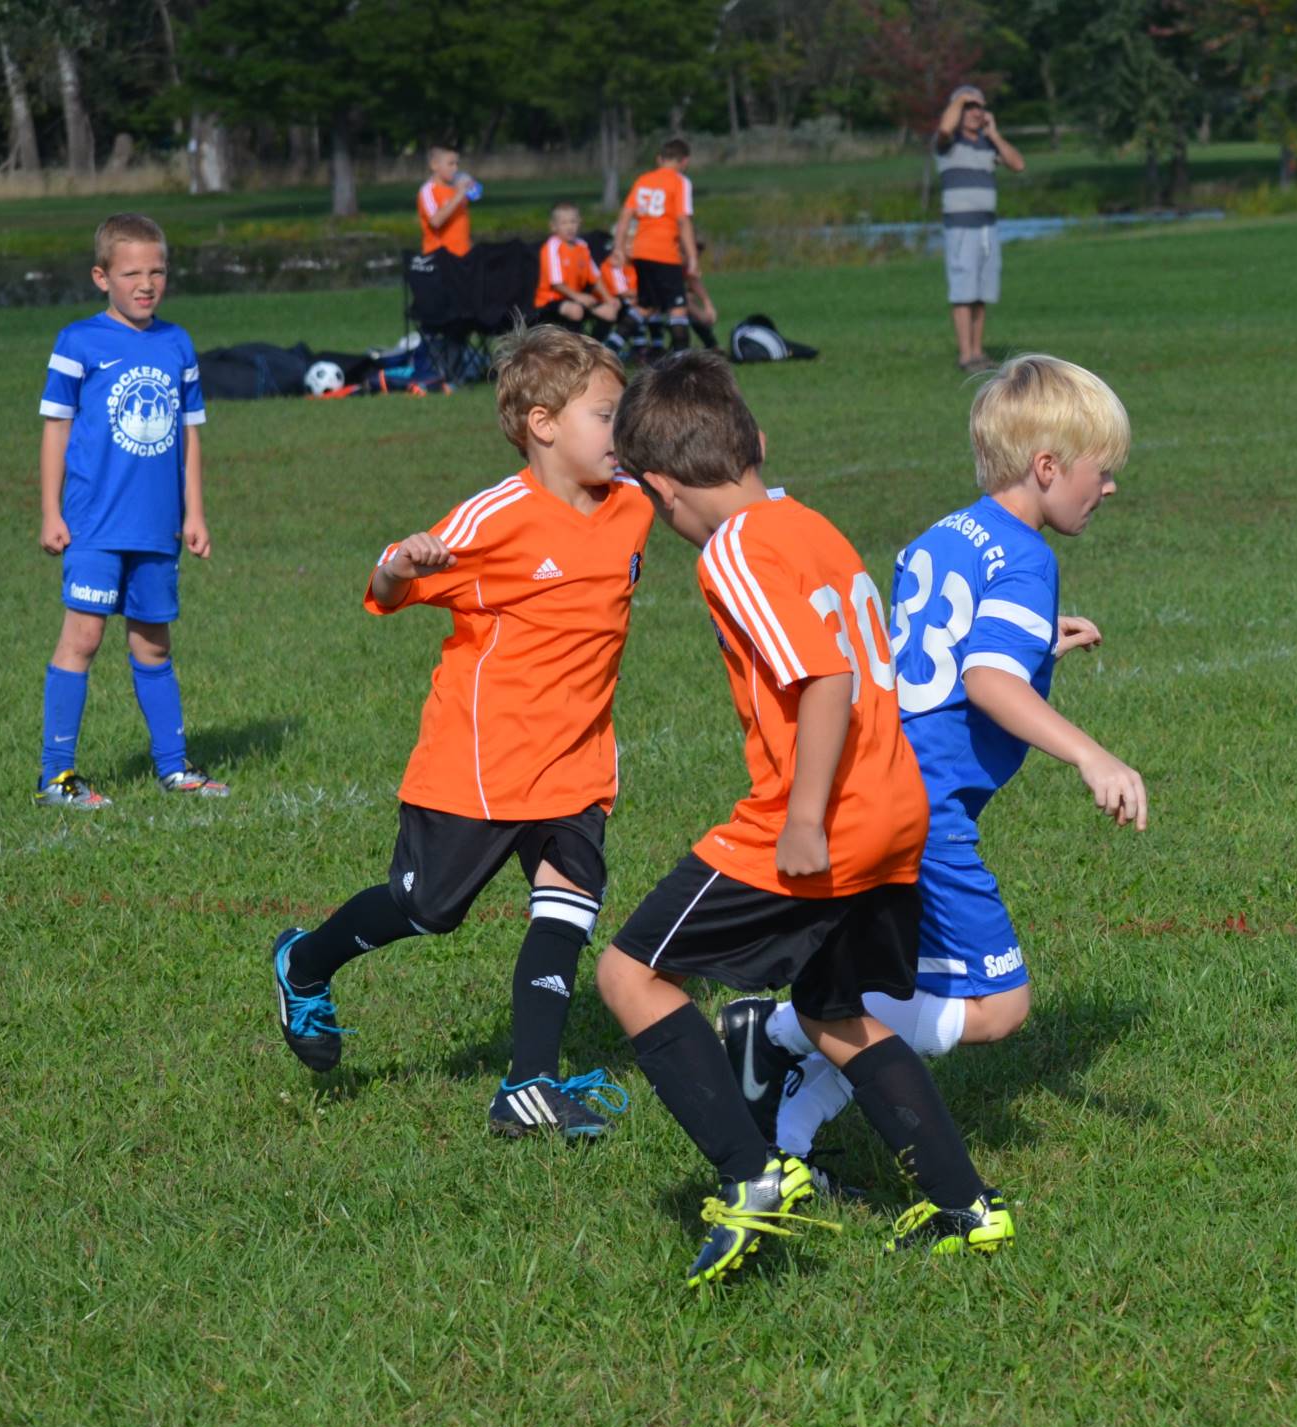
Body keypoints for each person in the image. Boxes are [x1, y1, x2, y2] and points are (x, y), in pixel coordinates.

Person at [597, 351, 1012, 1288]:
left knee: (629, 974)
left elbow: (825, 676)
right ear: (757, 441)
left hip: (824, 819)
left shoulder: (732, 550)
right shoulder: (810, 525)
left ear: (662, 490)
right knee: (832, 1012)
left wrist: (805, 819)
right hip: (896, 808)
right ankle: (967, 1206)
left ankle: (750, 1175)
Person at [716, 354, 1145, 1190]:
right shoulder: (1026, 558)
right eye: (1102, 470)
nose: (1110, 487)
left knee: (896, 984)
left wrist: (1037, 639)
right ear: (1047, 467)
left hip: (879, 786)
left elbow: (930, 656)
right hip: (932, 812)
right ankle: (783, 1029)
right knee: (999, 1008)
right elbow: (984, 680)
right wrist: (1091, 754)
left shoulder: (942, 534)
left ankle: (786, 1135)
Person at [268, 327, 648, 1144]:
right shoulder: (496, 518)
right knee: (427, 910)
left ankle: (528, 1085)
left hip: (576, 759)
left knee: (568, 907)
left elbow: (703, 493)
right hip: (482, 761)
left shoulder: (634, 502)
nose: (623, 431)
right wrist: (401, 566)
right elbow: (386, 584)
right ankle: (304, 962)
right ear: (542, 425)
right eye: (606, 415)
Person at [36, 213, 226, 809]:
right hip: (93, 522)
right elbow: (56, 430)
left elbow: (190, 436)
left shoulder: (177, 344)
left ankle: (173, 768)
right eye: (131, 274)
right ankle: (56, 776)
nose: (146, 284)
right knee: (84, 636)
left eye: (157, 272)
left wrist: (194, 513)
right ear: (102, 277)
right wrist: (50, 512)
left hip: (157, 525)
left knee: (153, 645)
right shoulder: (78, 342)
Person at [933, 86, 1025, 373]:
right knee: (963, 291)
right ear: (957, 110)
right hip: (961, 228)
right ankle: (966, 356)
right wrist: (962, 98)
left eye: (979, 106)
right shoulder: (947, 143)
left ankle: (978, 352)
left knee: (981, 291)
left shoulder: (987, 144)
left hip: (987, 228)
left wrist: (994, 134)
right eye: (968, 107)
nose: (975, 112)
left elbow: (1018, 164)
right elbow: (944, 128)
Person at [613, 138, 697, 355]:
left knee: (645, 306)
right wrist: (692, 256)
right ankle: (681, 361)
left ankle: (608, 349)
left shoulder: (644, 180)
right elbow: (683, 221)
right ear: (685, 161)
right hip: (664, 252)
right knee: (678, 308)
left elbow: (625, 215)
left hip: (641, 251)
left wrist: (619, 247)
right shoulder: (680, 182)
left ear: (660, 159)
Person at [534, 202, 621, 337]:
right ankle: (573, 347)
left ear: (580, 222)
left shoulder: (582, 246)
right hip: (551, 300)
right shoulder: (552, 247)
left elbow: (595, 278)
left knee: (610, 312)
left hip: (576, 298)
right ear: (553, 226)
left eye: (573, 222)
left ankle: (594, 345)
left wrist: (608, 297)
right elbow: (556, 283)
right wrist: (579, 297)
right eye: (564, 223)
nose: (569, 227)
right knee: (576, 310)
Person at [418, 146, 477, 258]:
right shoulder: (428, 191)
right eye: (450, 164)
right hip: (440, 258)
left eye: (457, 164)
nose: (455, 168)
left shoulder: (455, 189)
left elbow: (461, 223)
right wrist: (459, 195)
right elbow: (435, 221)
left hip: (463, 255)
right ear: (434, 165)